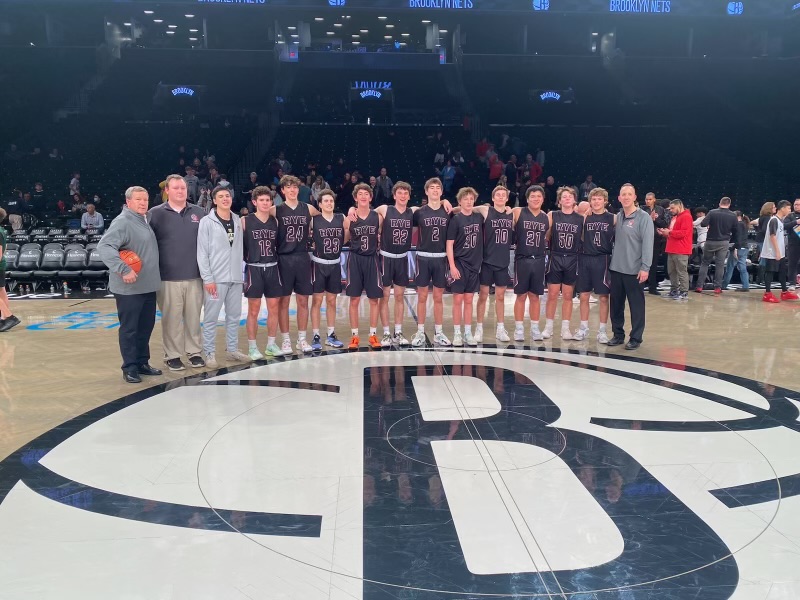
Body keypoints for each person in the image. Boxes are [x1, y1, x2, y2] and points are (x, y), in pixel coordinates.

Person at [97, 187, 162, 382]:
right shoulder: (123, 221)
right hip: (129, 289)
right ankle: (129, 367)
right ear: (128, 202)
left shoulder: (144, 219)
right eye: (138, 200)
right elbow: (104, 246)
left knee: (145, 327)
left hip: (148, 285)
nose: (143, 203)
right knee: (130, 328)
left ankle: (142, 362)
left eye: (145, 199)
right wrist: (123, 269)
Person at [147, 174, 207, 371]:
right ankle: (172, 355)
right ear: (167, 191)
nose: (180, 191)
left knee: (193, 318)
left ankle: (195, 352)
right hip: (167, 277)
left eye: (183, 188)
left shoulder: (199, 212)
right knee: (171, 319)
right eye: (176, 188)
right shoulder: (154, 214)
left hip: (195, 275)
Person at [263, 175, 323, 354]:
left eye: (295, 187)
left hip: (303, 258)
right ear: (283, 190)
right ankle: (286, 340)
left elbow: (327, 218)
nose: (292, 190)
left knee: (303, 300)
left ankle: (302, 339)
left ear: (299, 189)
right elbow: (255, 217)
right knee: (284, 302)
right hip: (283, 259)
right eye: (288, 187)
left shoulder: (309, 208)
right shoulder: (276, 210)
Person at [197, 187, 250, 369]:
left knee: (234, 316)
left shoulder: (237, 219)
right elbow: (202, 252)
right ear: (215, 200)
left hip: (235, 277)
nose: (225, 199)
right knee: (211, 318)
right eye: (221, 196)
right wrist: (207, 278)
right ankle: (209, 353)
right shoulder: (206, 221)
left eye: (227, 196)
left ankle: (232, 350)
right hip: (215, 279)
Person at [607, 184, 653, 350]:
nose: (626, 197)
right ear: (619, 198)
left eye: (629, 194)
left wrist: (645, 267)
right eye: (623, 194)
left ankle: (636, 337)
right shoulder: (618, 216)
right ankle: (618, 335)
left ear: (635, 197)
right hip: (616, 268)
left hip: (634, 271)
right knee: (616, 306)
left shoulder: (643, 217)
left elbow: (648, 244)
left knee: (636, 306)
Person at [242, 187, 284, 360]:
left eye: (268, 200)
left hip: (273, 267)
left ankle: (271, 344)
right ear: (254, 202)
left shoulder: (276, 221)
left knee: (274, 309)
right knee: (254, 310)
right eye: (262, 200)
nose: (265, 203)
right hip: (254, 267)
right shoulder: (244, 221)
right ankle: (252, 347)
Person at [411, 178, 452, 348]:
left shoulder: (448, 211)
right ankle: (420, 332)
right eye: (431, 188)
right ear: (426, 192)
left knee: (438, 297)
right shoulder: (419, 212)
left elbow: (467, 208)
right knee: (421, 296)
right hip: (423, 256)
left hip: (441, 257)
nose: (435, 190)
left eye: (438, 188)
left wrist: (445, 202)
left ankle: (439, 332)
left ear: (441, 192)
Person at [375, 182, 415, 347]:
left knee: (399, 296)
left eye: (406, 193)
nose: (403, 195)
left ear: (409, 196)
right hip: (386, 257)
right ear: (394, 195)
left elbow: (436, 204)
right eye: (400, 192)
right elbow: (367, 212)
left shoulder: (412, 211)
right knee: (383, 297)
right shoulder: (385, 209)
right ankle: (385, 333)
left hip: (403, 258)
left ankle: (397, 332)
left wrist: (444, 202)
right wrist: (351, 210)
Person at [471, 186, 513, 343]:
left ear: (507, 198)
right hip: (487, 261)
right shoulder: (485, 210)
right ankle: (479, 328)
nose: (501, 197)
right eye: (498, 195)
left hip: (503, 262)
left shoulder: (512, 213)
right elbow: (466, 207)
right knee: (483, 296)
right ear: (493, 198)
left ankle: (500, 329)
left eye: (504, 195)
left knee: (501, 297)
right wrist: (445, 203)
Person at [345, 183, 384, 350]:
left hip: (371, 259)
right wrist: (348, 215)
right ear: (355, 198)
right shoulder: (350, 218)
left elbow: (391, 208)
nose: (363, 196)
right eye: (359, 194)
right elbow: (345, 238)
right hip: (355, 258)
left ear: (370, 197)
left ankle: (373, 334)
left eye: (366, 193)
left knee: (374, 299)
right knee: (354, 299)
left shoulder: (378, 217)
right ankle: (354, 336)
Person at [574, 188, 614, 343]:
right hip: (584, 258)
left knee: (604, 297)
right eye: (594, 199)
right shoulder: (584, 218)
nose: (596, 202)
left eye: (599, 199)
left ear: (605, 201)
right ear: (590, 201)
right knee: (583, 295)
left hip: (602, 259)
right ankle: (583, 328)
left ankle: (602, 331)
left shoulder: (612, 218)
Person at [511, 185, 550, 342]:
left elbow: (547, 237)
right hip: (522, 259)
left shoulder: (546, 217)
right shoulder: (518, 212)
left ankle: (535, 328)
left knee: (535, 296)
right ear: (527, 199)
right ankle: (519, 329)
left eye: (538, 196)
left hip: (539, 260)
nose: (535, 198)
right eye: (532, 196)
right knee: (521, 295)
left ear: (543, 199)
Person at [544, 187, 583, 340]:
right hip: (556, 257)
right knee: (552, 295)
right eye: (564, 197)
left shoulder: (581, 218)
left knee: (568, 295)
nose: (567, 199)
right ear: (559, 201)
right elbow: (546, 235)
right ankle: (548, 327)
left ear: (574, 200)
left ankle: (565, 328)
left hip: (572, 258)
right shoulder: (552, 215)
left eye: (570, 196)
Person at [310, 189, 346, 351]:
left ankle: (331, 334)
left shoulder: (341, 218)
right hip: (318, 264)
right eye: (326, 201)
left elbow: (348, 233)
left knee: (332, 301)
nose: (329, 203)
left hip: (335, 264)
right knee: (317, 302)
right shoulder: (314, 220)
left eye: (331, 201)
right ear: (320, 204)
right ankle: (316, 335)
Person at [446, 187, 483, 347]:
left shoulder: (479, 217)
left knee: (469, 300)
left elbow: (488, 207)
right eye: (465, 199)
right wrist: (452, 266)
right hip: (459, 264)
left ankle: (468, 333)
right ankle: (457, 334)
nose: (468, 201)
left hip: (474, 266)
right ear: (459, 201)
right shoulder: (455, 220)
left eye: (471, 199)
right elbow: (449, 245)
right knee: (458, 300)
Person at [694, 196, 738, 294]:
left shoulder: (712, 212)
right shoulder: (732, 215)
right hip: (724, 242)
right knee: (720, 265)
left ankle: (699, 286)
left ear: (719, 203)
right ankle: (717, 287)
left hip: (710, 241)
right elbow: (735, 230)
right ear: (729, 204)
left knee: (705, 263)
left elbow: (703, 224)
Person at [761, 200, 798, 303]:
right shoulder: (773, 220)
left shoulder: (780, 220)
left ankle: (784, 292)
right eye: (788, 208)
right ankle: (767, 294)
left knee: (782, 272)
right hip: (772, 252)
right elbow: (772, 236)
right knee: (770, 272)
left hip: (780, 252)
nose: (790, 211)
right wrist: (777, 251)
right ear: (782, 208)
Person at [661, 199, 693, 300]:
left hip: (681, 249)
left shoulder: (686, 217)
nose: (671, 210)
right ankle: (674, 290)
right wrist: (664, 233)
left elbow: (683, 233)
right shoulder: (675, 217)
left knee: (681, 271)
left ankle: (684, 292)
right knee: (672, 271)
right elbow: (674, 232)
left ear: (679, 206)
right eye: (670, 208)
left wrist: (669, 232)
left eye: (673, 208)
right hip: (672, 248)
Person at [643, 192, 668, 295]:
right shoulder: (642, 209)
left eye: (650, 199)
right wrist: (649, 218)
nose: (648, 201)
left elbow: (664, 223)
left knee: (653, 263)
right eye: (646, 199)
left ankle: (652, 287)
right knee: (642, 263)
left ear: (654, 200)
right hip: (643, 239)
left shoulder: (660, 210)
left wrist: (655, 219)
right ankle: (641, 285)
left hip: (656, 239)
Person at [0, 208, 20, 333]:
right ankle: (3, 318)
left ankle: (9, 317)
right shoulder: (2, 230)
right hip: (1, 265)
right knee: (1, 291)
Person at [721, 211, 751, 292]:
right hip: (745, 248)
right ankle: (746, 286)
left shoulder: (738, 225)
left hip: (738, 248)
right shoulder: (744, 224)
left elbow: (738, 238)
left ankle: (724, 285)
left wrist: (735, 249)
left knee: (729, 268)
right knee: (743, 268)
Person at [784, 198, 800, 291]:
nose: (797, 206)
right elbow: (784, 225)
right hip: (793, 243)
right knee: (792, 263)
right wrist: (796, 222)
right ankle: (792, 283)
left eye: (798, 204)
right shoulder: (790, 216)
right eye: (795, 205)